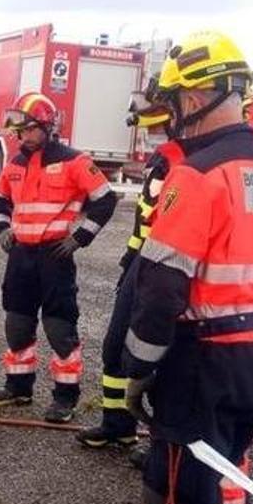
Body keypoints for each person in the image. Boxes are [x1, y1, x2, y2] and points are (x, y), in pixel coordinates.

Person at [122, 31, 253, 504]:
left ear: (192, 98)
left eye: (174, 102)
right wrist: (251, 296)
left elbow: (161, 291)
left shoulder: (197, 176)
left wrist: (137, 371)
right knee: (227, 473)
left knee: (180, 500)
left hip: (199, 362)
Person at [0, 92, 118, 423]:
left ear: (46, 126)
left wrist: (80, 237)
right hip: (20, 256)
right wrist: (1, 230)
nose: (22, 137)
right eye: (19, 131)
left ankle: (65, 398)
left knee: (59, 330)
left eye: (28, 130)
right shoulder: (15, 163)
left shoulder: (74, 161)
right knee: (17, 324)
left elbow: (105, 199)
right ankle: (17, 388)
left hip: (55, 256)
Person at [75, 90, 184, 449]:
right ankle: (117, 425)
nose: (149, 131)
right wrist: (130, 261)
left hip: (168, 267)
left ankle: (161, 442)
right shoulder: (165, 156)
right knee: (116, 349)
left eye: (155, 121)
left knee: (159, 359)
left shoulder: (189, 161)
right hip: (140, 263)